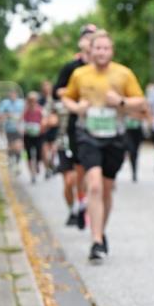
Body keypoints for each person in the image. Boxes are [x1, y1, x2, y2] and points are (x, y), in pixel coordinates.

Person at [62, 29, 145, 263]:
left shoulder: (123, 73)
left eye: (106, 48)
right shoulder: (80, 74)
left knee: (106, 190)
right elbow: (67, 97)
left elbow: (140, 102)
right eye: (98, 48)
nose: (101, 52)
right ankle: (96, 240)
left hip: (114, 136)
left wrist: (121, 101)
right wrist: (77, 108)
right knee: (95, 185)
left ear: (112, 51)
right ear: (91, 50)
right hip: (87, 134)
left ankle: (101, 231)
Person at [54, 25, 97, 228]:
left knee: (89, 173)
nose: (90, 41)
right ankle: (75, 207)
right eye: (87, 37)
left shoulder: (102, 68)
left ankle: (83, 205)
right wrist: (75, 95)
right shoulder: (71, 68)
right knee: (70, 178)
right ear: (81, 42)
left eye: (93, 37)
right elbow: (57, 92)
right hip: (70, 126)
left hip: (94, 126)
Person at [0, 89, 25, 173]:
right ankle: (11, 160)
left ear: (16, 95)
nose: (12, 96)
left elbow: (25, 113)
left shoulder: (21, 103)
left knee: (18, 146)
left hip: (18, 128)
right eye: (11, 94)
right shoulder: (4, 103)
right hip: (8, 129)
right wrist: (6, 115)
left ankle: (17, 164)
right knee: (10, 147)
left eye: (14, 94)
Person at [22, 92, 45, 184]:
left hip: (38, 134)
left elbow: (44, 119)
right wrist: (24, 129)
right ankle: (32, 174)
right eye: (30, 100)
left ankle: (37, 165)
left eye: (34, 100)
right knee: (29, 155)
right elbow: (21, 121)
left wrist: (41, 128)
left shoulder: (40, 110)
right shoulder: (25, 110)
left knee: (39, 152)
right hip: (28, 135)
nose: (32, 102)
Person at [38, 79, 58, 179]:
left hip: (54, 127)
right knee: (44, 150)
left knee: (54, 149)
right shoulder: (40, 100)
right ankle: (47, 169)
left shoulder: (55, 99)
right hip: (44, 127)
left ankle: (51, 164)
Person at [124, 101, 147, 182]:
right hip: (127, 131)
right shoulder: (124, 101)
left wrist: (135, 115)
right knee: (130, 150)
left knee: (134, 153)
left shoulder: (140, 102)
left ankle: (134, 172)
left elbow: (145, 114)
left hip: (137, 132)